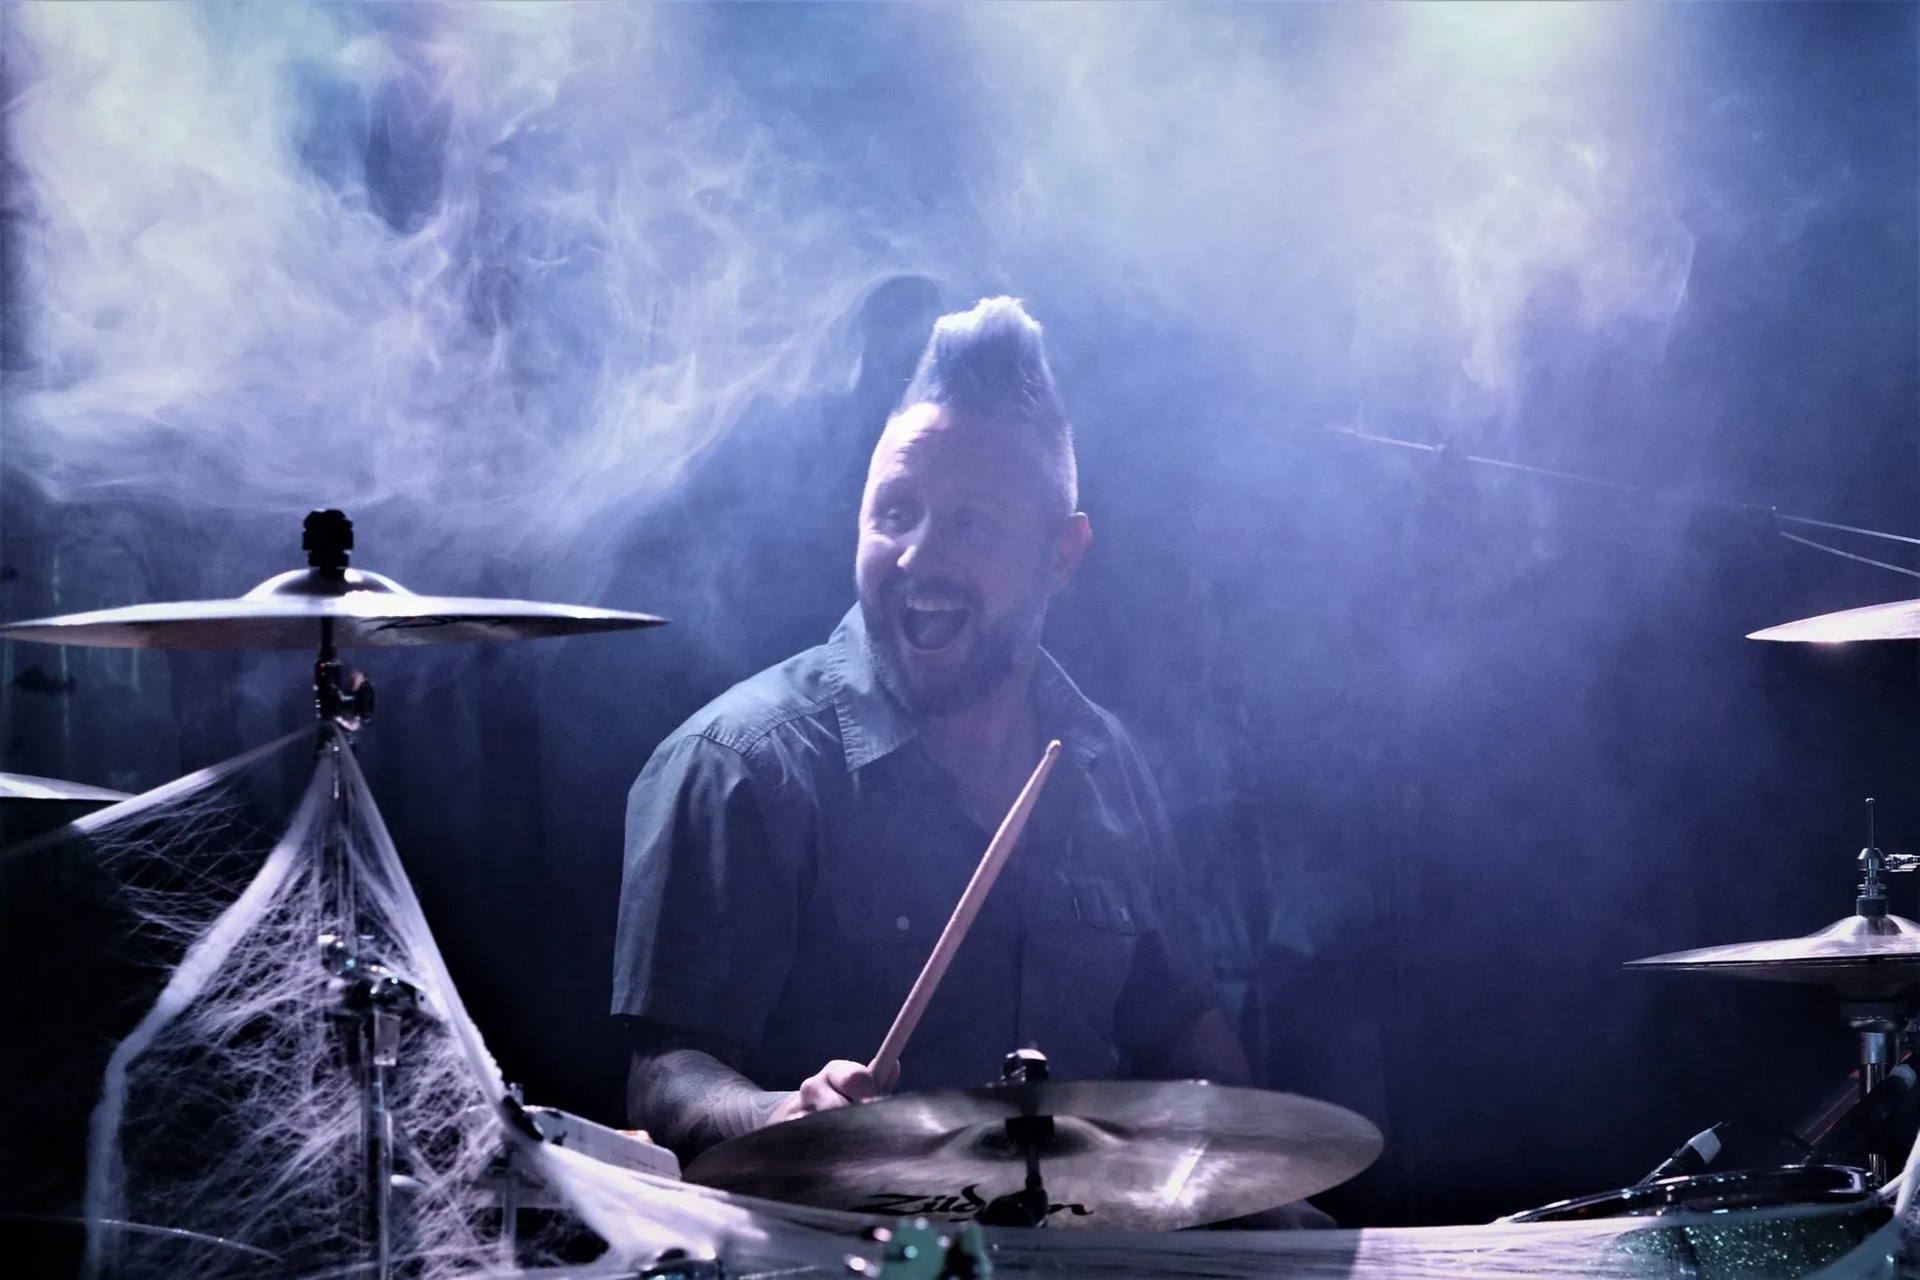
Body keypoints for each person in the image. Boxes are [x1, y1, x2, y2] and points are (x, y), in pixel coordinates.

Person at [613, 297, 1252, 1162]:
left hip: (1082, 1244)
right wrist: (775, 1117)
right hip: (849, 1257)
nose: (917, 555)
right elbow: (667, 1071)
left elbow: (1180, 1024)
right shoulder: (739, 766)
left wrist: (1258, 1168)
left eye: (971, 524)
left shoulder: (1105, 764)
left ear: (1061, 555)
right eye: (895, 513)